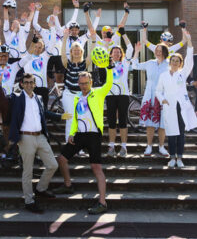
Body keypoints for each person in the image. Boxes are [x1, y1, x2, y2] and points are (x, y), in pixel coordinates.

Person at [54, 66, 113, 214]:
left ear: (91, 82)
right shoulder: (77, 98)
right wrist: (72, 133)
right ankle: (68, 185)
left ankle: (102, 202)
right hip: (80, 135)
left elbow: (109, 84)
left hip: (93, 135)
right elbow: (75, 118)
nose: (83, 86)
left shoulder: (98, 93)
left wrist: (110, 69)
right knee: (61, 159)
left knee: (96, 168)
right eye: (81, 83)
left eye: (86, 83)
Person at [9, 73, 65, 214]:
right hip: (25, 138)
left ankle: (40, 189)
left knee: (53, 165)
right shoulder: (16, 98)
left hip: (40, 136)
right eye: (26, 82)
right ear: (22, 84)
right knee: (27, 172)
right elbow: (9, 103)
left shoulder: (38, 98)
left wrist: (60, 116)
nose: (28, 84)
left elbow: (44, 113)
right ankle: (29, 201)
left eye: (31, 82)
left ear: (35, 84)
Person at [156, 32, 197, 168]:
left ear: (180, 63)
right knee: (171, 134)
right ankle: (172, 158)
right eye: (173, 60)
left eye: (177, 61)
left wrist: (189, 41)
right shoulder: (163, 75)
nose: (174, 62)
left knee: (181, 134)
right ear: (170, 62)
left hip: (181, 107)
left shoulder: (182, 74)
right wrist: (163, 100)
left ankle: (180, 158)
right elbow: (158, 91)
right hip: (169, 107)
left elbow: (190, 59)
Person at [132, 41, 170, 157]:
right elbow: (135, 66)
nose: (158, 53)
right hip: (150, 95)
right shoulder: (150, 63)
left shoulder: (169, 64)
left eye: (160, 51)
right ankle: (149, 146)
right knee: (150, 123)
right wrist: (137, 51)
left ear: (165, 52)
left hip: (164, 96)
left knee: (162, 123)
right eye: (156, 51)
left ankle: (161, 146)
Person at [61, 27, 96, 142]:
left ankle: (78, 146)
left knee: (80, 118)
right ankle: (68, 143)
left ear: (81, 52)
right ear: (71, 52)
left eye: (78, 50)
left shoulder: (84, 64)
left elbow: (91, 52)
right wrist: (65, 39)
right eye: (74, 50)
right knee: (70, 118)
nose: (76, 51)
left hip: (81, 95)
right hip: (68, 94)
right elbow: (62, 53)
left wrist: (94, 40)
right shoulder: (68, 63)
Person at [106, 27, 134, 158]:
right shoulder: (106, 64)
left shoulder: (125, 63)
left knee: (123, 121)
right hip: (110, 95)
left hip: (123, 95)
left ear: (121, 54)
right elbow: (104, 49)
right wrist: (110, 39)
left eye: (118, 52)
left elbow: (130, 49)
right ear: (111, 54)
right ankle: (111, 146)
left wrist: (124, 35)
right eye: (114, 52)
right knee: (111, 121)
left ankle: (123, 147)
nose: (116, 54)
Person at [23, 16, 57, 109]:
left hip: (43, 89)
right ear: (32, 46)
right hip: (30, 88)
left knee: (43, 113)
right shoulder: (27, 57)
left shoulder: (44, 57)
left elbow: (52, 43)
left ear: (42, 49)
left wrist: (53, 27)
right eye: (36, 47)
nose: (37, 49)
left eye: (40, 47)